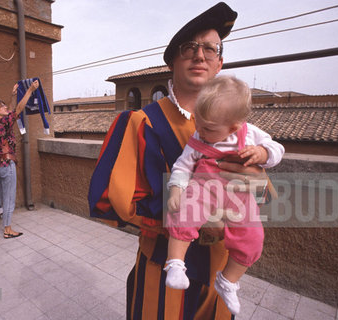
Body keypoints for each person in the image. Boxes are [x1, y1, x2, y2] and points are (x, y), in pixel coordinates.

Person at [88, 2, 269, 319]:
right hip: (163, 268)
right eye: (189, 48)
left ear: (219, 64)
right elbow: (109, 200)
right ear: (172, 61)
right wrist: (187, 217)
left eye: (210, 49)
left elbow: (265, 197)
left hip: (219, 270)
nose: (200, 55)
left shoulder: (241, 130)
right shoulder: (139, 122)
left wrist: (256, 184)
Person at [164, 75, 285, 314]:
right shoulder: (198, 138)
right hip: (204, 189)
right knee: (183, 213)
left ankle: (228, 281)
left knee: (253, 238)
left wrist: (262, 153)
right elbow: (182, 166)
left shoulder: (249, 134)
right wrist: (176, 188)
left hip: (240, 196)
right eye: (197, 122)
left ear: (234, 126)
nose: (199, 131)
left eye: (207, 128)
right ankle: (175, 264)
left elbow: (277, 148)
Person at [0, 80, 39, 239]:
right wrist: (30, 90)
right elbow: (17, 110)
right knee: (9, 198)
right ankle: (7, 230)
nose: (5, 107)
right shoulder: (3, 121)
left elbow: (9, 111)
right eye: (1, 106)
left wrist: (12, 96)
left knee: (0, 193)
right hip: (7, 164)